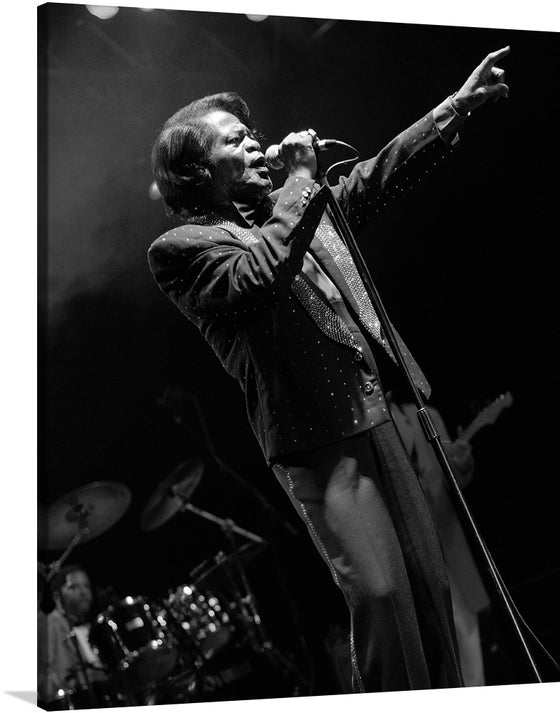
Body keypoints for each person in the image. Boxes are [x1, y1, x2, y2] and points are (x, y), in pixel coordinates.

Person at [147, 47, 510, 693]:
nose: (259, 146)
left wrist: (453, 108)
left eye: (254, 135)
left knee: (429, 595)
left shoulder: (299, 210)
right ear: (200, 169)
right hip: (324, 443)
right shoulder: (183, 249)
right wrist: (302, 181)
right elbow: (257, 279)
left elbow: (375, 177)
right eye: (238, 141)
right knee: (381, 597)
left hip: (386, 419)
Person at [389, 395, 490, 686]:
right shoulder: (370, 422)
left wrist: (462, 462)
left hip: (447, 537)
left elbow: (453, 479)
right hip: (408, 548)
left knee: (468, 641)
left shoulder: (427, 414)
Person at [37, 564, 109, 708]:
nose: (83, 592)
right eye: (73, 587)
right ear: (57, 596)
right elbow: (51, 683)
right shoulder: (50, 624)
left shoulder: (89, 628)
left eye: (86, 586)